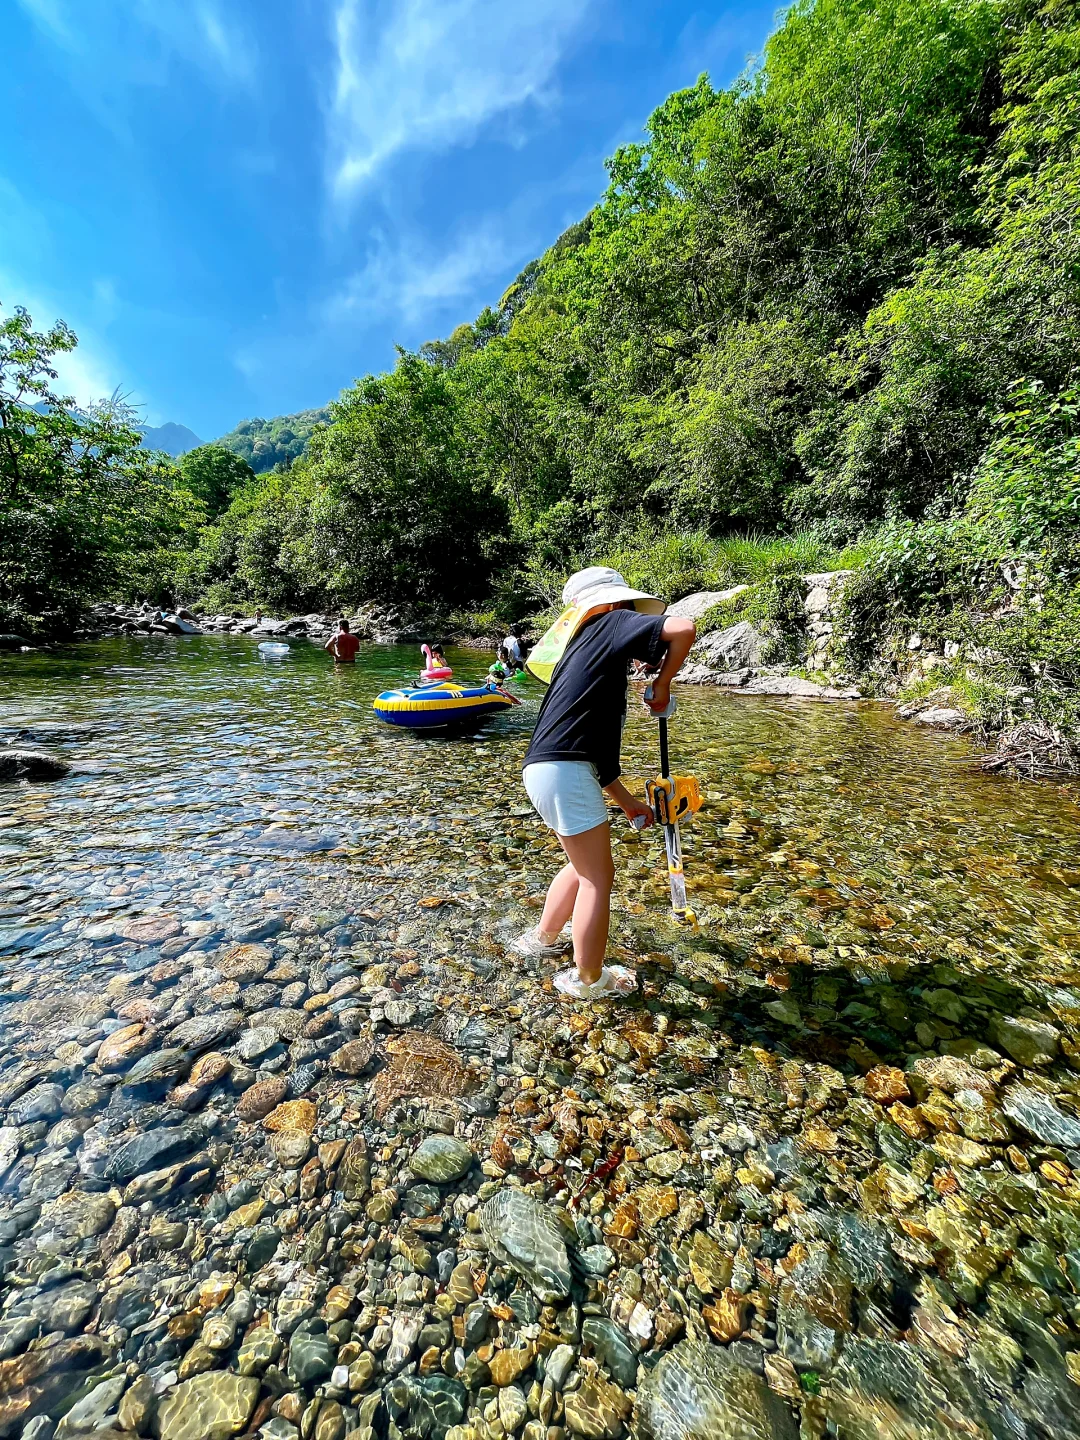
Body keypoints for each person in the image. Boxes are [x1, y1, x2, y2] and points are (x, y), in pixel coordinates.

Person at [513, 566, 696, 999]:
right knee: (599, 877)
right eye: (631, 607)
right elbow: (684, 628)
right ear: (613, 601)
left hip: (542, 769)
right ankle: (589, 980)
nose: (635, 616)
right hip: (566, 770)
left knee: (581, 866)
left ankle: (541, 939)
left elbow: (595, 754)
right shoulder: (611, 620)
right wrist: (664, 683)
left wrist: (628, 802)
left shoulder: (581, 650)